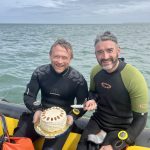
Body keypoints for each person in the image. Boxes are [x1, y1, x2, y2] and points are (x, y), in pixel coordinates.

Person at [77, 31, 149, 150]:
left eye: (110, 50)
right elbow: (93, 93)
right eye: (100, 52)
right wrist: (92, 100)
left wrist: (116, 146)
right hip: (98, 122)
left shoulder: (134, 77)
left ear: (118, 50)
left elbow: (141, 119)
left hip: (122, 127)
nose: (105, 57)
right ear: (95, 54)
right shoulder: (96, 71)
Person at [14, 39, 88, 150]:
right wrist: (37, 110)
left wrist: (72, 116)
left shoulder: (77, 79)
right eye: (56, 56)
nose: (60, 61)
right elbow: (29, 96)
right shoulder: (40, 72)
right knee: (14, 143)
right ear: (50, 56)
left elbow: (83, 104)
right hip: (41, 116)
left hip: (63, 122)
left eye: (64, 57)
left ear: (71, 58)